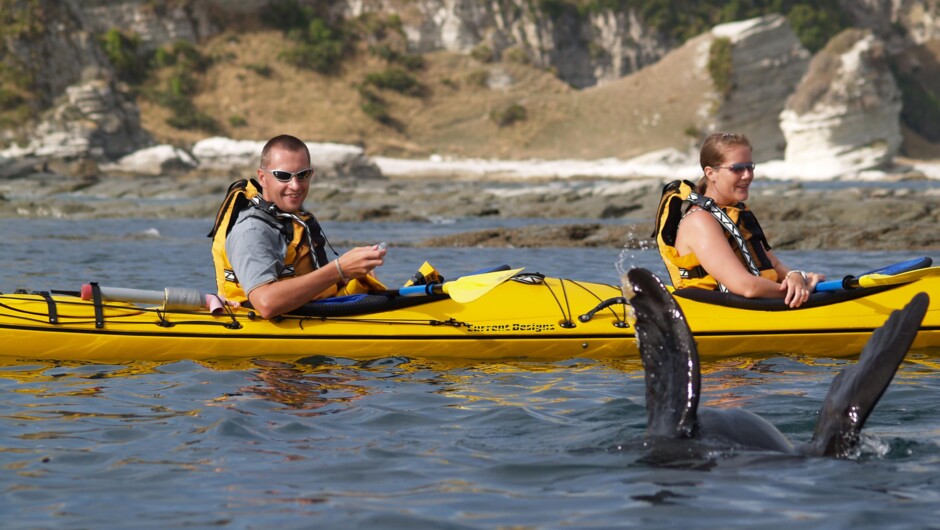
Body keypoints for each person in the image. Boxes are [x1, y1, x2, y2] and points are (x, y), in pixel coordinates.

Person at [209, 134, 386, 319]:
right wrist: (339, 269)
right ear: (262, 177)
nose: (295, 185)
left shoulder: (291, 219)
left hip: (310, 311)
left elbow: (305, 280)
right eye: (283, 176)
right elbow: (266, 304)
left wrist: (348, 275)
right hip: (258, 322)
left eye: (302, 175)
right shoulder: (252, 231)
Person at [653, 132, 824, 308]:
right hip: (716, 313)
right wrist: (803, 291)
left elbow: (776, 265)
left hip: (753, 305)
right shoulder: (700, 221)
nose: (747, 175)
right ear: (711, 173)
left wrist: (795, 276)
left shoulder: (733, 213)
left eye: (750, 167)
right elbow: (746, 287)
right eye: (737, 169)